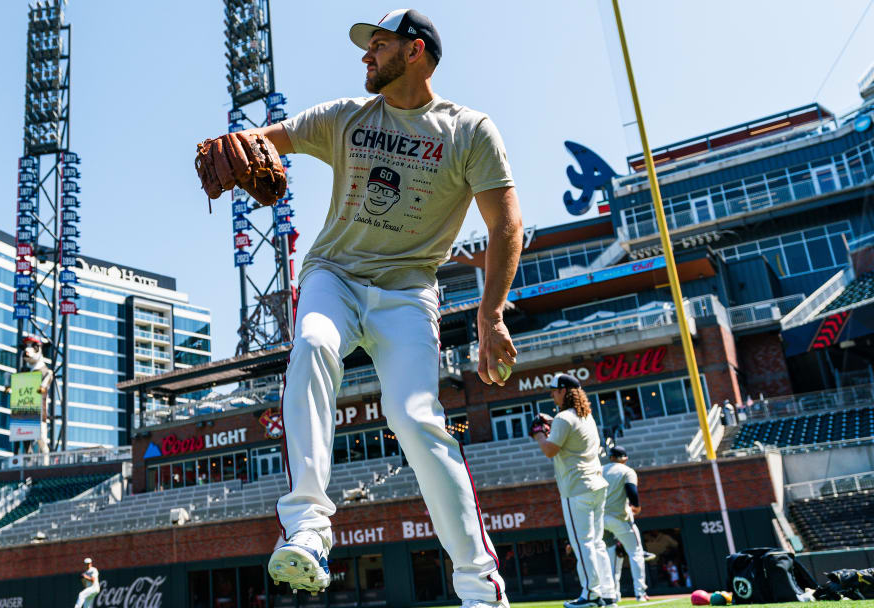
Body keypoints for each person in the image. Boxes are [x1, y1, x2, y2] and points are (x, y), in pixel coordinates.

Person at [222, 8, 522, 607]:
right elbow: (266, 139)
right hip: (334, 274)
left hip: (409, 292)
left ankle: (479, 586)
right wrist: (237, 146)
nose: (366, 56)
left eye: (377, 45)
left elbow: (505, 225)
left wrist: (491, 315)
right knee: (311, 346)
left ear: (414, 53)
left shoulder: (468, 131)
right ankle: (307, 528)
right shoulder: (344, 117)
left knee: (415, 418)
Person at [533, 374, 616, 608]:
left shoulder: (563, 418)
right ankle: (608, 593)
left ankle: (590, 594)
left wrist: (539, 433)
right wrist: (550, 424)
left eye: (554, 390)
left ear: (563, 391)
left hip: (576, 487)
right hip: (596, 484)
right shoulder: (586, 416)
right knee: (597, 542)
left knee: (582, 543)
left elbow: (549, 450)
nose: (552, 394)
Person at [601, 446, 648, 602]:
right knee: (636, 554)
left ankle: (613, 594)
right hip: (619, 518)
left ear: (611, 457)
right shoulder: (626, 470)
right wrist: (636, 506)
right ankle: (640, 593)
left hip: (600, 519)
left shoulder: (600, 470)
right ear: (624, 458)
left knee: (611, 555)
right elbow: (631, 490)